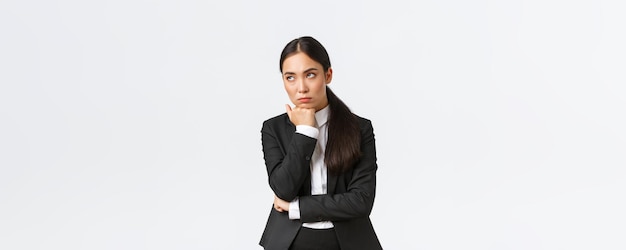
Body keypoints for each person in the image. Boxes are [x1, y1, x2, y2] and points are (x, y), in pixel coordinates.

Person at [259, 36, 383, 250]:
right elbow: (284, 189)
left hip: (348, 242)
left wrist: (297, 207)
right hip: (290, 241)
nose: (301, 88)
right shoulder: (273, 129)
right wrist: (305, 132)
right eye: (290, 77)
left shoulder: (360, 128)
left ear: (328, 75)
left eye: (310, 75)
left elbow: (361, 201)